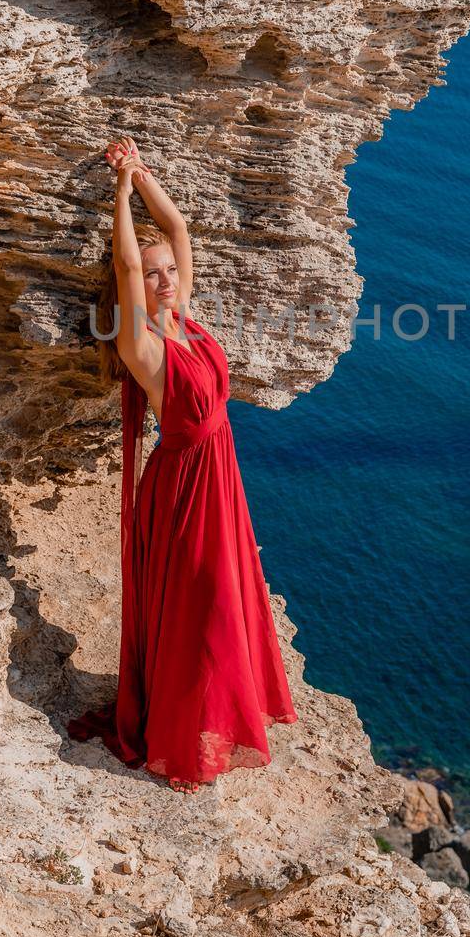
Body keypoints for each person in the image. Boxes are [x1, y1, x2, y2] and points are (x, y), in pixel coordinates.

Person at [67, 137, 298, 793]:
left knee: (224, 598)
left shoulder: (186, 317)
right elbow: (126, 267)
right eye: (156, 274)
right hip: (183, 488)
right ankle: (186, 728)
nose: (166, 280)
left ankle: (217, 712)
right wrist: (117, 195)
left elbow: (177, 227)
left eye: (170, 270)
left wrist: (140, 175)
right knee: (203, 609)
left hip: (221, 476)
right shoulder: (142, 345)